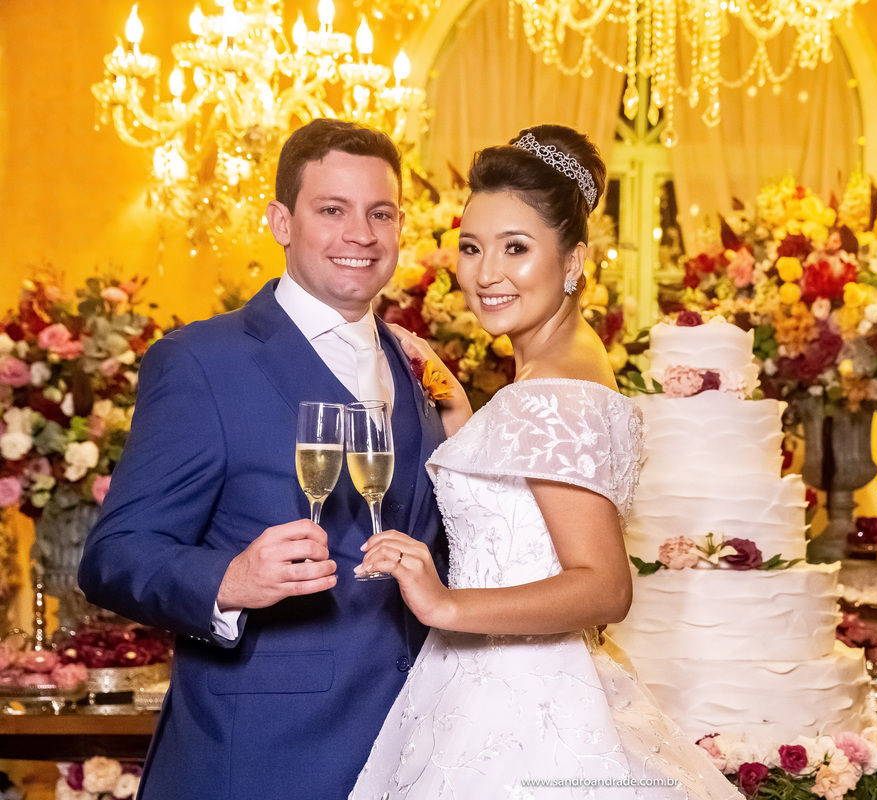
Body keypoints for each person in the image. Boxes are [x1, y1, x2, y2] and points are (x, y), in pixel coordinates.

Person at [350, 125, 739, 798]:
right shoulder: (569, 367)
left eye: (516, 248)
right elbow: (529, 504)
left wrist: (443, 603)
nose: (486, 273)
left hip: (516, 710)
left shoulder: (553, 393)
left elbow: (604, 588)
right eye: (471, 247)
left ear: (575, 260)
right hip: (516, 688)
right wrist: (462, 414)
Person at [77, 119, 447, 799]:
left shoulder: (416, 363)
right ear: (281, 222)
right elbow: (113, 556)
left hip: (417, 750)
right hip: (261, 760)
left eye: (380, 213)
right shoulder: (201, 363)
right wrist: (228, 579)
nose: (361, 234)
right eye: (331, 210)